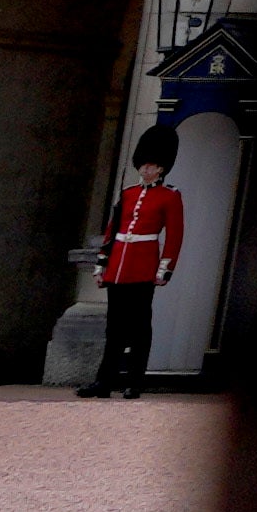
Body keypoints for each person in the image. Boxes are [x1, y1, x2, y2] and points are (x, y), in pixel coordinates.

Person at [79, 125, 179, 398]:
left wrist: (164, 269)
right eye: (144, 165)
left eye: (152, 166)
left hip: (143, 267)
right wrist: (102, 265)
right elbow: (112, 232)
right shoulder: (128, 193)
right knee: (114, 328)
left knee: (139, 329)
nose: (146, 170)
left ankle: (135, 381)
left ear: (161, 169)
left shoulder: (170, 197)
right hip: (118, 268)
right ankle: (104, 382)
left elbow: (174, 236)